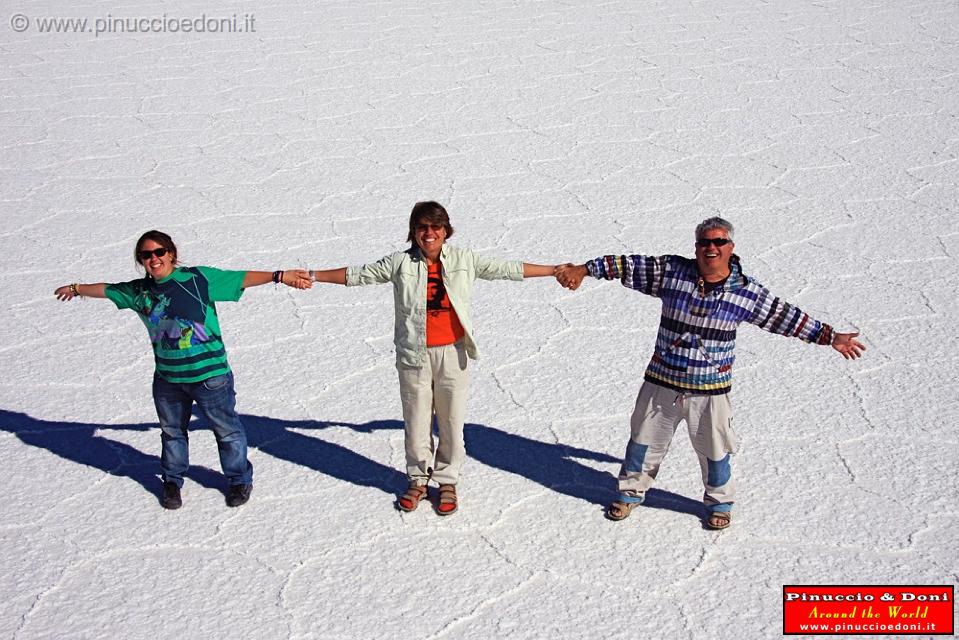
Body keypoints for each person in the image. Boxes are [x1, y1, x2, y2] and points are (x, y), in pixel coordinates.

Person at [554, 217, 865, 529]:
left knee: (715, 451)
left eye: (719, 242)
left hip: (710, 391)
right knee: (642, 443)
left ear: (731, 247)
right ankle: (629, 493)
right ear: (696, 247)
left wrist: (828, 336)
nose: (711, 248)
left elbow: (784, 316)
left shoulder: (747, 293)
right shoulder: (671, 273)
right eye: (705, 242)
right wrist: (583, 269)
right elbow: (627, 265)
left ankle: (720, 503)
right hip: (661, 383)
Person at [308, 201, 559, 515]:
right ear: (414, 232)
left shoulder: (464, 260)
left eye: (435, 227)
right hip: (414, 354)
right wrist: (313, 275)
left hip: (453, 352)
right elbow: (359, 275)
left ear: (446, 230)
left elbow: (507, 269)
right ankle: (417, 479)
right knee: (416, 419)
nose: (429, 234)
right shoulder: (401, 263)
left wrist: (554, 271)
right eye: (422, 227)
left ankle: (447, 480)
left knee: (452, 420)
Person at [54, 230, 312, 510]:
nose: (154, 258)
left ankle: (239, 480)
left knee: (227, 431)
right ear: (141, 260)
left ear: (171, 254)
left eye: (159, 252)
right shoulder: (139, 292)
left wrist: (279, 275)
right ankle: (172, 482)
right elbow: (106, 289)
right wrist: (77, 288)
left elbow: (240, 278)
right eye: (146, 254)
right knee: (173, 433)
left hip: (210, 377)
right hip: (168, 379)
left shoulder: (198, 279)